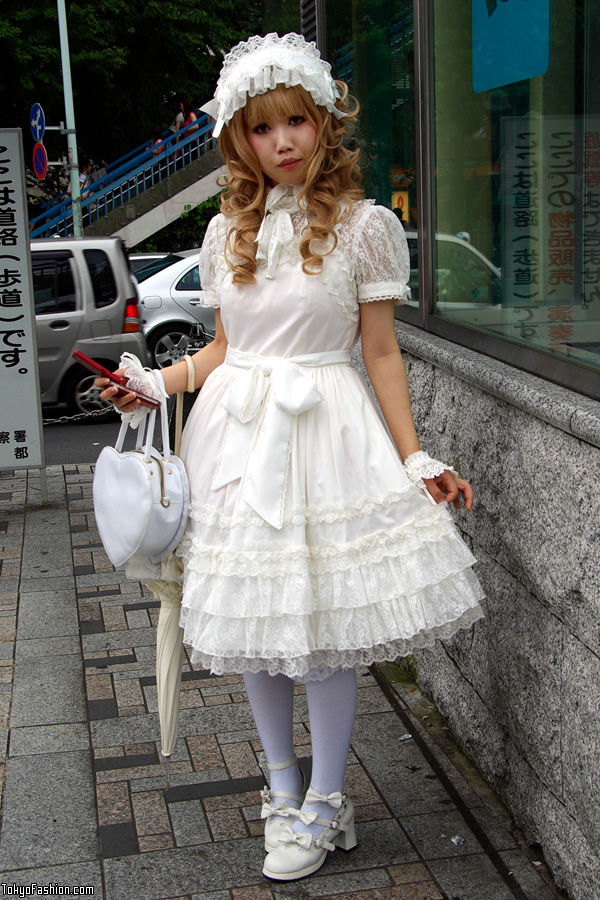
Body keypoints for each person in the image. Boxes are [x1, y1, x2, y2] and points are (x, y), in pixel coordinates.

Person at [97, 32, 484, 883]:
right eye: (263, 128)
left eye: (297, 122)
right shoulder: (223, 231)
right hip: (237, 437)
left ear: (321, 126)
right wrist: (155, 385)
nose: (282, 142)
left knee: (326, 639)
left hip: (328, 433)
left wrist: (414, 458)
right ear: (239, 139)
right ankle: (281, 790)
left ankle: (325, 800)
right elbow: (224, 352)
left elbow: (381, 353)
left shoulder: (366, 229)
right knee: (260, 632)